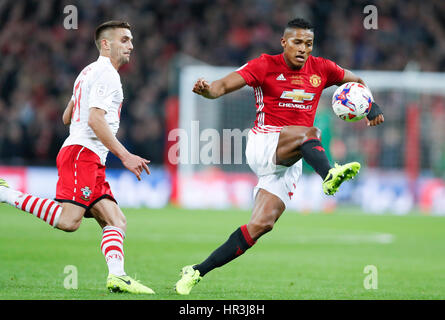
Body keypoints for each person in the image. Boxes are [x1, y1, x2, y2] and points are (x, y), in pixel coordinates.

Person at [175, 18, 384, 295]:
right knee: (311, 132)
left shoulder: (322, 68)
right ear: (284, 42)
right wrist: (208, 90)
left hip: (290, 161)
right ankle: (329, 173)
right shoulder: (264, 65)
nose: (303, 49)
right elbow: (224, 85)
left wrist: (372, 105)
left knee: (261, 225)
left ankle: (196, 271)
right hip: (263, 143)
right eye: (297, 42)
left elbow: (356, 81)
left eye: (308, 44)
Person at [0, 21, 155, 294]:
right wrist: (126, 155)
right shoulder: (107, 74)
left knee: (116, 220)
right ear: (106, 44)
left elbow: (66, 116)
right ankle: (6, 194)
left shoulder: (86, 72)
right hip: (82, 154)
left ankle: (117, 276)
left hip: (88, 155)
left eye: (131, 40)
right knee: (69, 221)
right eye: (124, 40)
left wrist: (82, 114)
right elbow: (95, 119)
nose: (131, 45)